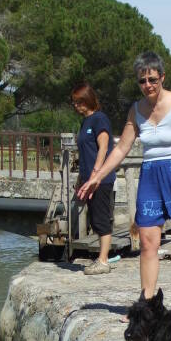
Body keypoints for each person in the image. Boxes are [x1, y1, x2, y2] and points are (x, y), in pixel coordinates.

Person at [77, 51, 171, 318]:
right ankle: (147, 305)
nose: (147, 85)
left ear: (162, 77)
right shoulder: (136, 111)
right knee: (148, 243)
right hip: (151, 176)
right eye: (142, 81)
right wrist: (97, 176)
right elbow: (122, 147)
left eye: (152, 79)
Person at [71, 82, 116, 275]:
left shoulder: (100, 119)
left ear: (87, 100)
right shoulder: (84, 122)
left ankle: (104, 261)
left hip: (101, 179)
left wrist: (96, 173)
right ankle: (101, 258)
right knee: (94, 218)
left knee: (101, 217)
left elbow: (103, 148)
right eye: (74, 102)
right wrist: (83, 178)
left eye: (78, 102)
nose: (75, 106)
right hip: (88, 178)